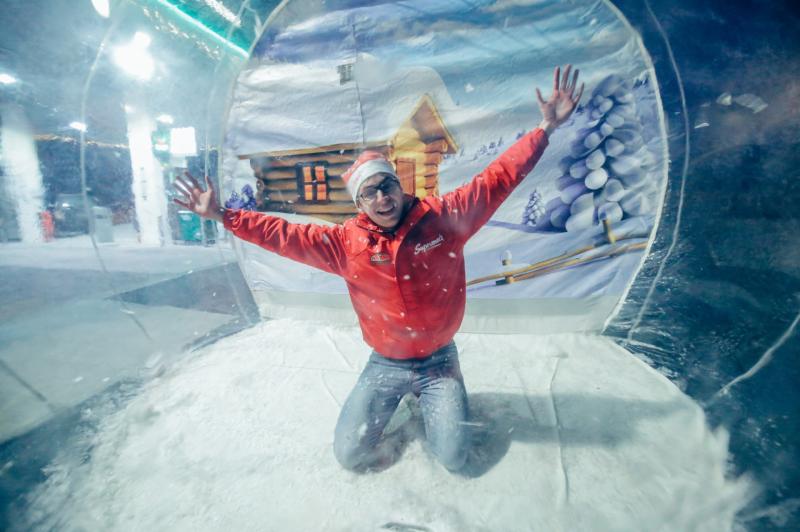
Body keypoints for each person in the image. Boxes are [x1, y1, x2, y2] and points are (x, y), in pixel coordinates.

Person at [174, 65, 583, 473]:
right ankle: (403, 400)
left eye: (386, 186)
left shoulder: (444, 219)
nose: (382, 198)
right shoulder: (345, 245)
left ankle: (438, 399)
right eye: (369, 193)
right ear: (360, 203)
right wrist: (223, 216)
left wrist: (545, 128)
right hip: (387, 362)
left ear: (398, 185)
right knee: (349, 454)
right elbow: (282, 234)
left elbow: (498, 178)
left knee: (454, 458)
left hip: (439, 362)